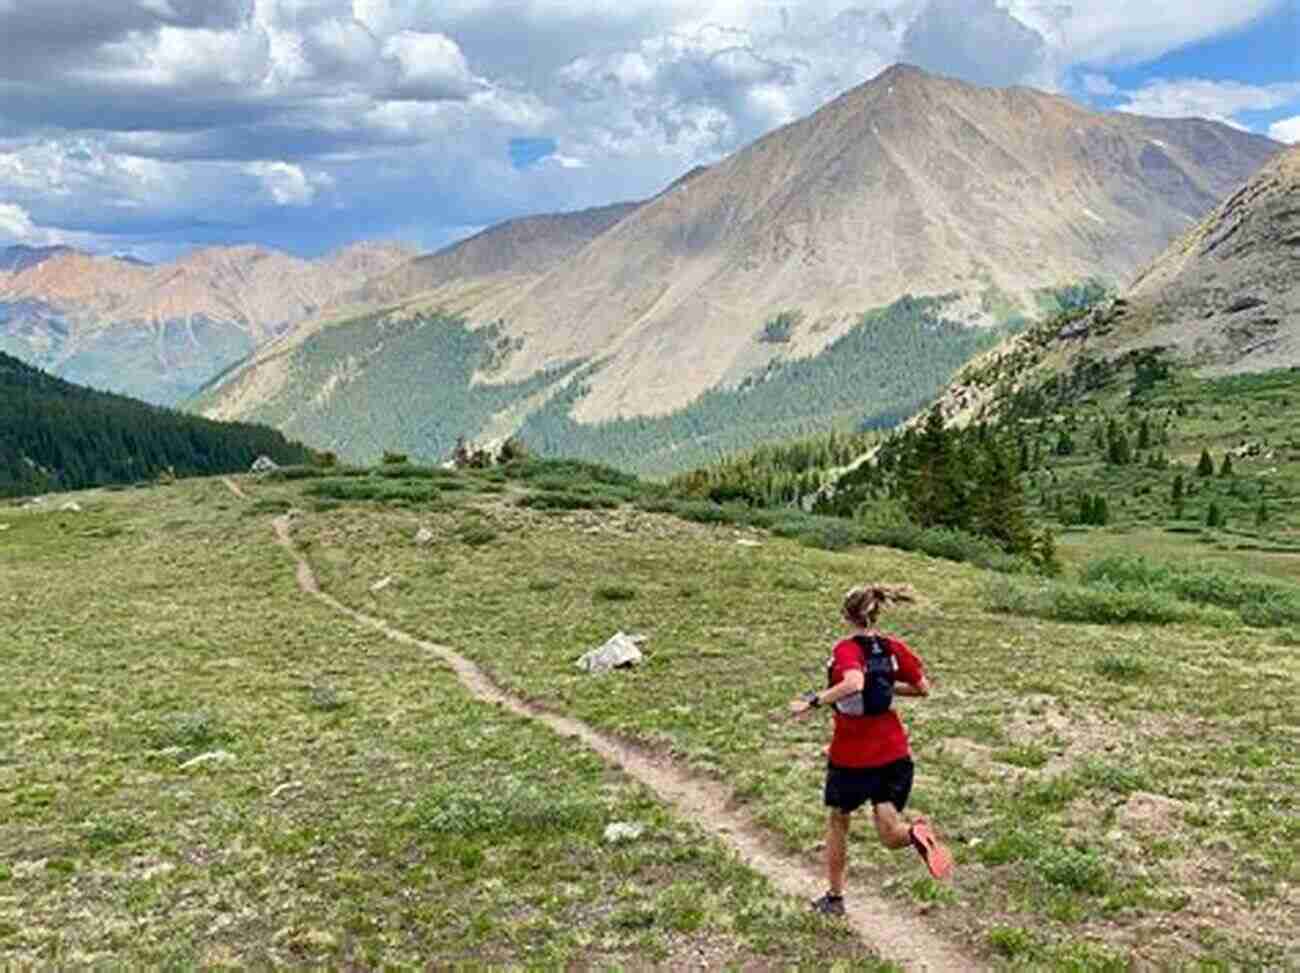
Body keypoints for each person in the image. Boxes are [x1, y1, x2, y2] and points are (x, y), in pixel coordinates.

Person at [789, 583, 953, 917]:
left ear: (846, 615)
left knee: (838, 820)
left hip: (852, 755)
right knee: (891, 834)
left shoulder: (846, 649)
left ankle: (834, 899)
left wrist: (813, 701)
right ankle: (916, 833)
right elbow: (923, 689)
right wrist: (886, 684)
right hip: (894, 752)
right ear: (876, 613)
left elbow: (853, 683)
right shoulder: (893, 647)